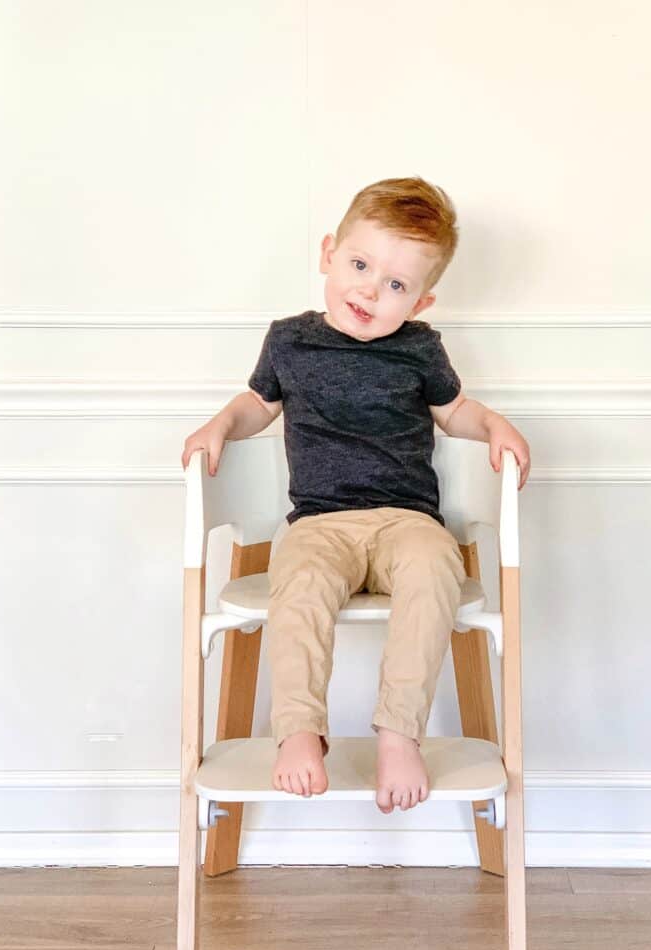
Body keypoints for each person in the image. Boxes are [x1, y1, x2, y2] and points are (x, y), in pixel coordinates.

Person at [181, 176, 530, 814]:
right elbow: (258, 405)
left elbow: (454, 414)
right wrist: (219, 426)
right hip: (320, 522)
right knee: (300, 592)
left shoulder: (420, 349)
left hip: (408, 521)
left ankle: (400, 732)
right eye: (360, 265)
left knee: (434, 576)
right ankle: (298, 732)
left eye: (395, 284)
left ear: (421, 302)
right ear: (328, 254)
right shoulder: (290, 340)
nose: (369, 290)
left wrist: (494, 426)